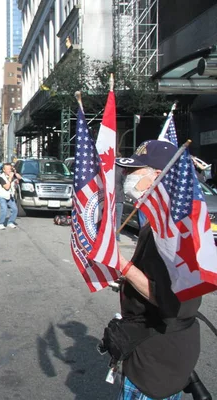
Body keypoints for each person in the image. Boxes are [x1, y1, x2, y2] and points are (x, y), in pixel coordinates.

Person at [114, 140, 201, 399]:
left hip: (155, 359)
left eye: (135, 171)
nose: (126, 177)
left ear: (158, 176)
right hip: (151, 348)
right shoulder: (158, 221)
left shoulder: (174, 230)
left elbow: (166, 299)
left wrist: (120, 263)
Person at [0, 163, 21, 230]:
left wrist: (15, 173)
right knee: (4, 209)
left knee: (15, 209)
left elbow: (20, 177)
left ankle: (11, 222)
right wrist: (10, 178)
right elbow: (7, 187)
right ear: (4, 170)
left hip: (10, 196)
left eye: (10, 169)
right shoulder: (1, 177)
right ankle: (0, 223)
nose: (9, 170)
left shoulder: (12, 175)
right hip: (2, 196)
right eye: (7, 169)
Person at [115, 165, 126, 241]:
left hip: (109, 197)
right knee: (118, 219)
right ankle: (116, 236)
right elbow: (125, 183)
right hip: (119, 197)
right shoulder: (122, 170)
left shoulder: (108, 168)